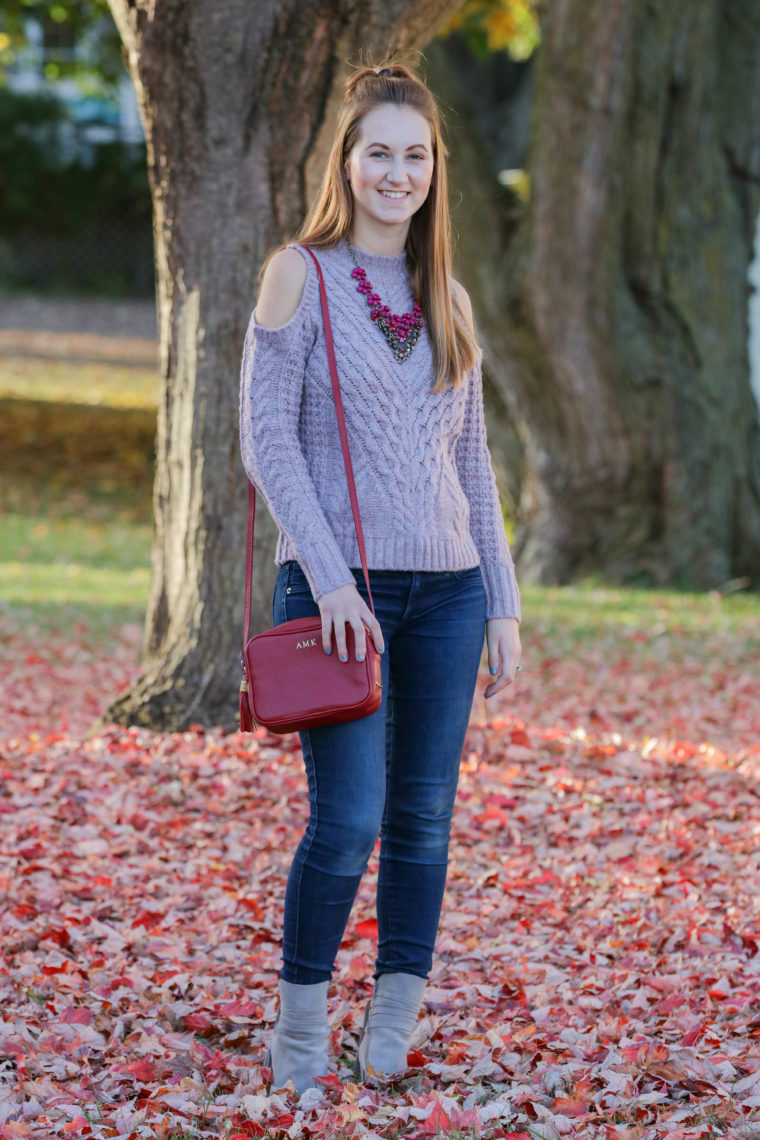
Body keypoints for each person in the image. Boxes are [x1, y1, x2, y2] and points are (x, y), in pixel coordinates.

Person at [239, 58, 522, 1095]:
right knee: (348, 819)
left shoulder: (445, 294)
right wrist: (330, 579)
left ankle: (392, 1021)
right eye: (378, 153)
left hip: (445, 591)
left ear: (434, 168)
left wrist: (500, 597)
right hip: (338, 593)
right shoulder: (298, 276)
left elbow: (472, 457)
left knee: (423, 820)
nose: (395, 172)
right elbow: (266, 440)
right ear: (347, 163)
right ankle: (301, 1028)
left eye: (414, 155)